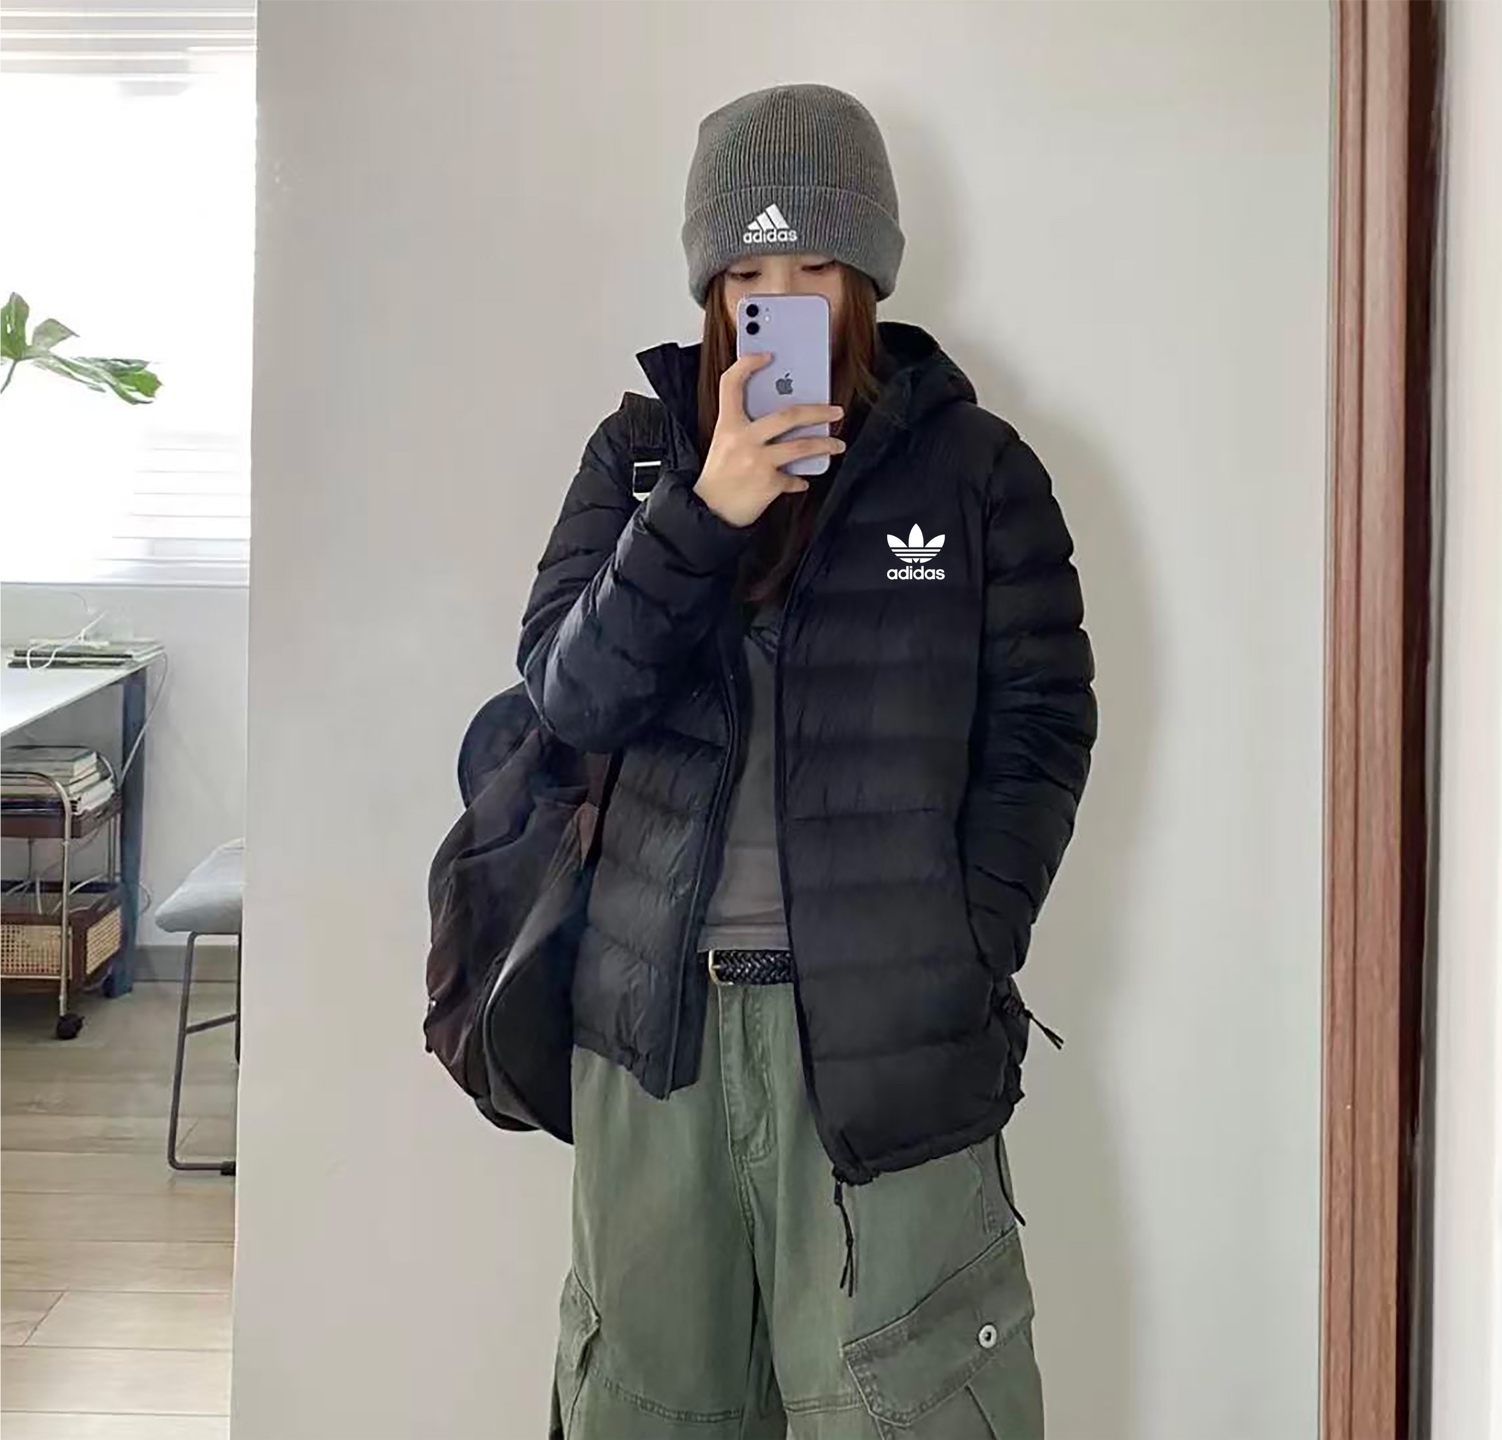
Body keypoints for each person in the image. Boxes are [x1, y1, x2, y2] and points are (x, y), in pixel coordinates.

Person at [521, 82, 1097, 1440]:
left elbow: (1042, 725)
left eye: (815, 267)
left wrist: (962, 942)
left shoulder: (974, 470)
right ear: (710, 287)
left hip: (885, 1055)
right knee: (646, 1409)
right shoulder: (637, 461)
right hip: (655, 1044)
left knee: (908, 1401)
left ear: (868, 277)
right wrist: (704, 512)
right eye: (747, 273)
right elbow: (570, 699)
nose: (778, 299)